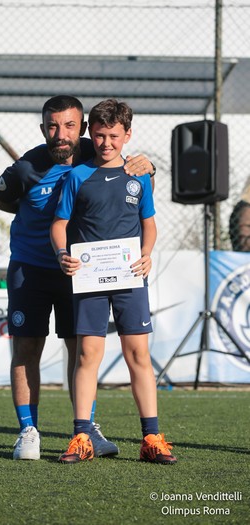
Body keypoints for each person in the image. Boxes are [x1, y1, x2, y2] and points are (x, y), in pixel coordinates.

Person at [0, 95, 156, 461]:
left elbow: (135, 177)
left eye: (68, 126)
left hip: (81, 271)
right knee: (27, 348)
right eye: (52, 125)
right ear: (43, 127)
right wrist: (29, 214)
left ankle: (86, 428)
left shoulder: (95, 152)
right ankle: (28, 430)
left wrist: (150, 166)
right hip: (30, 268)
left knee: (80, 348)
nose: (60, 134)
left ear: (81, 129)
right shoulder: (27, 166)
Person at [50, 98, 177, 465]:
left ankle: (151, 437)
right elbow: (59, 225)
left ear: (128, 135)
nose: (107, 143)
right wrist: (62, 253)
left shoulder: (138, 176)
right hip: (89, 278)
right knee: (88, 354)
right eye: (101, 135)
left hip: (130, 277)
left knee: (138, 353)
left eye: (114, 136)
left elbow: (148, 223)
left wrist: (147, 253)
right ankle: (82, 435)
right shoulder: (76, 176)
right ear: (92, 133)